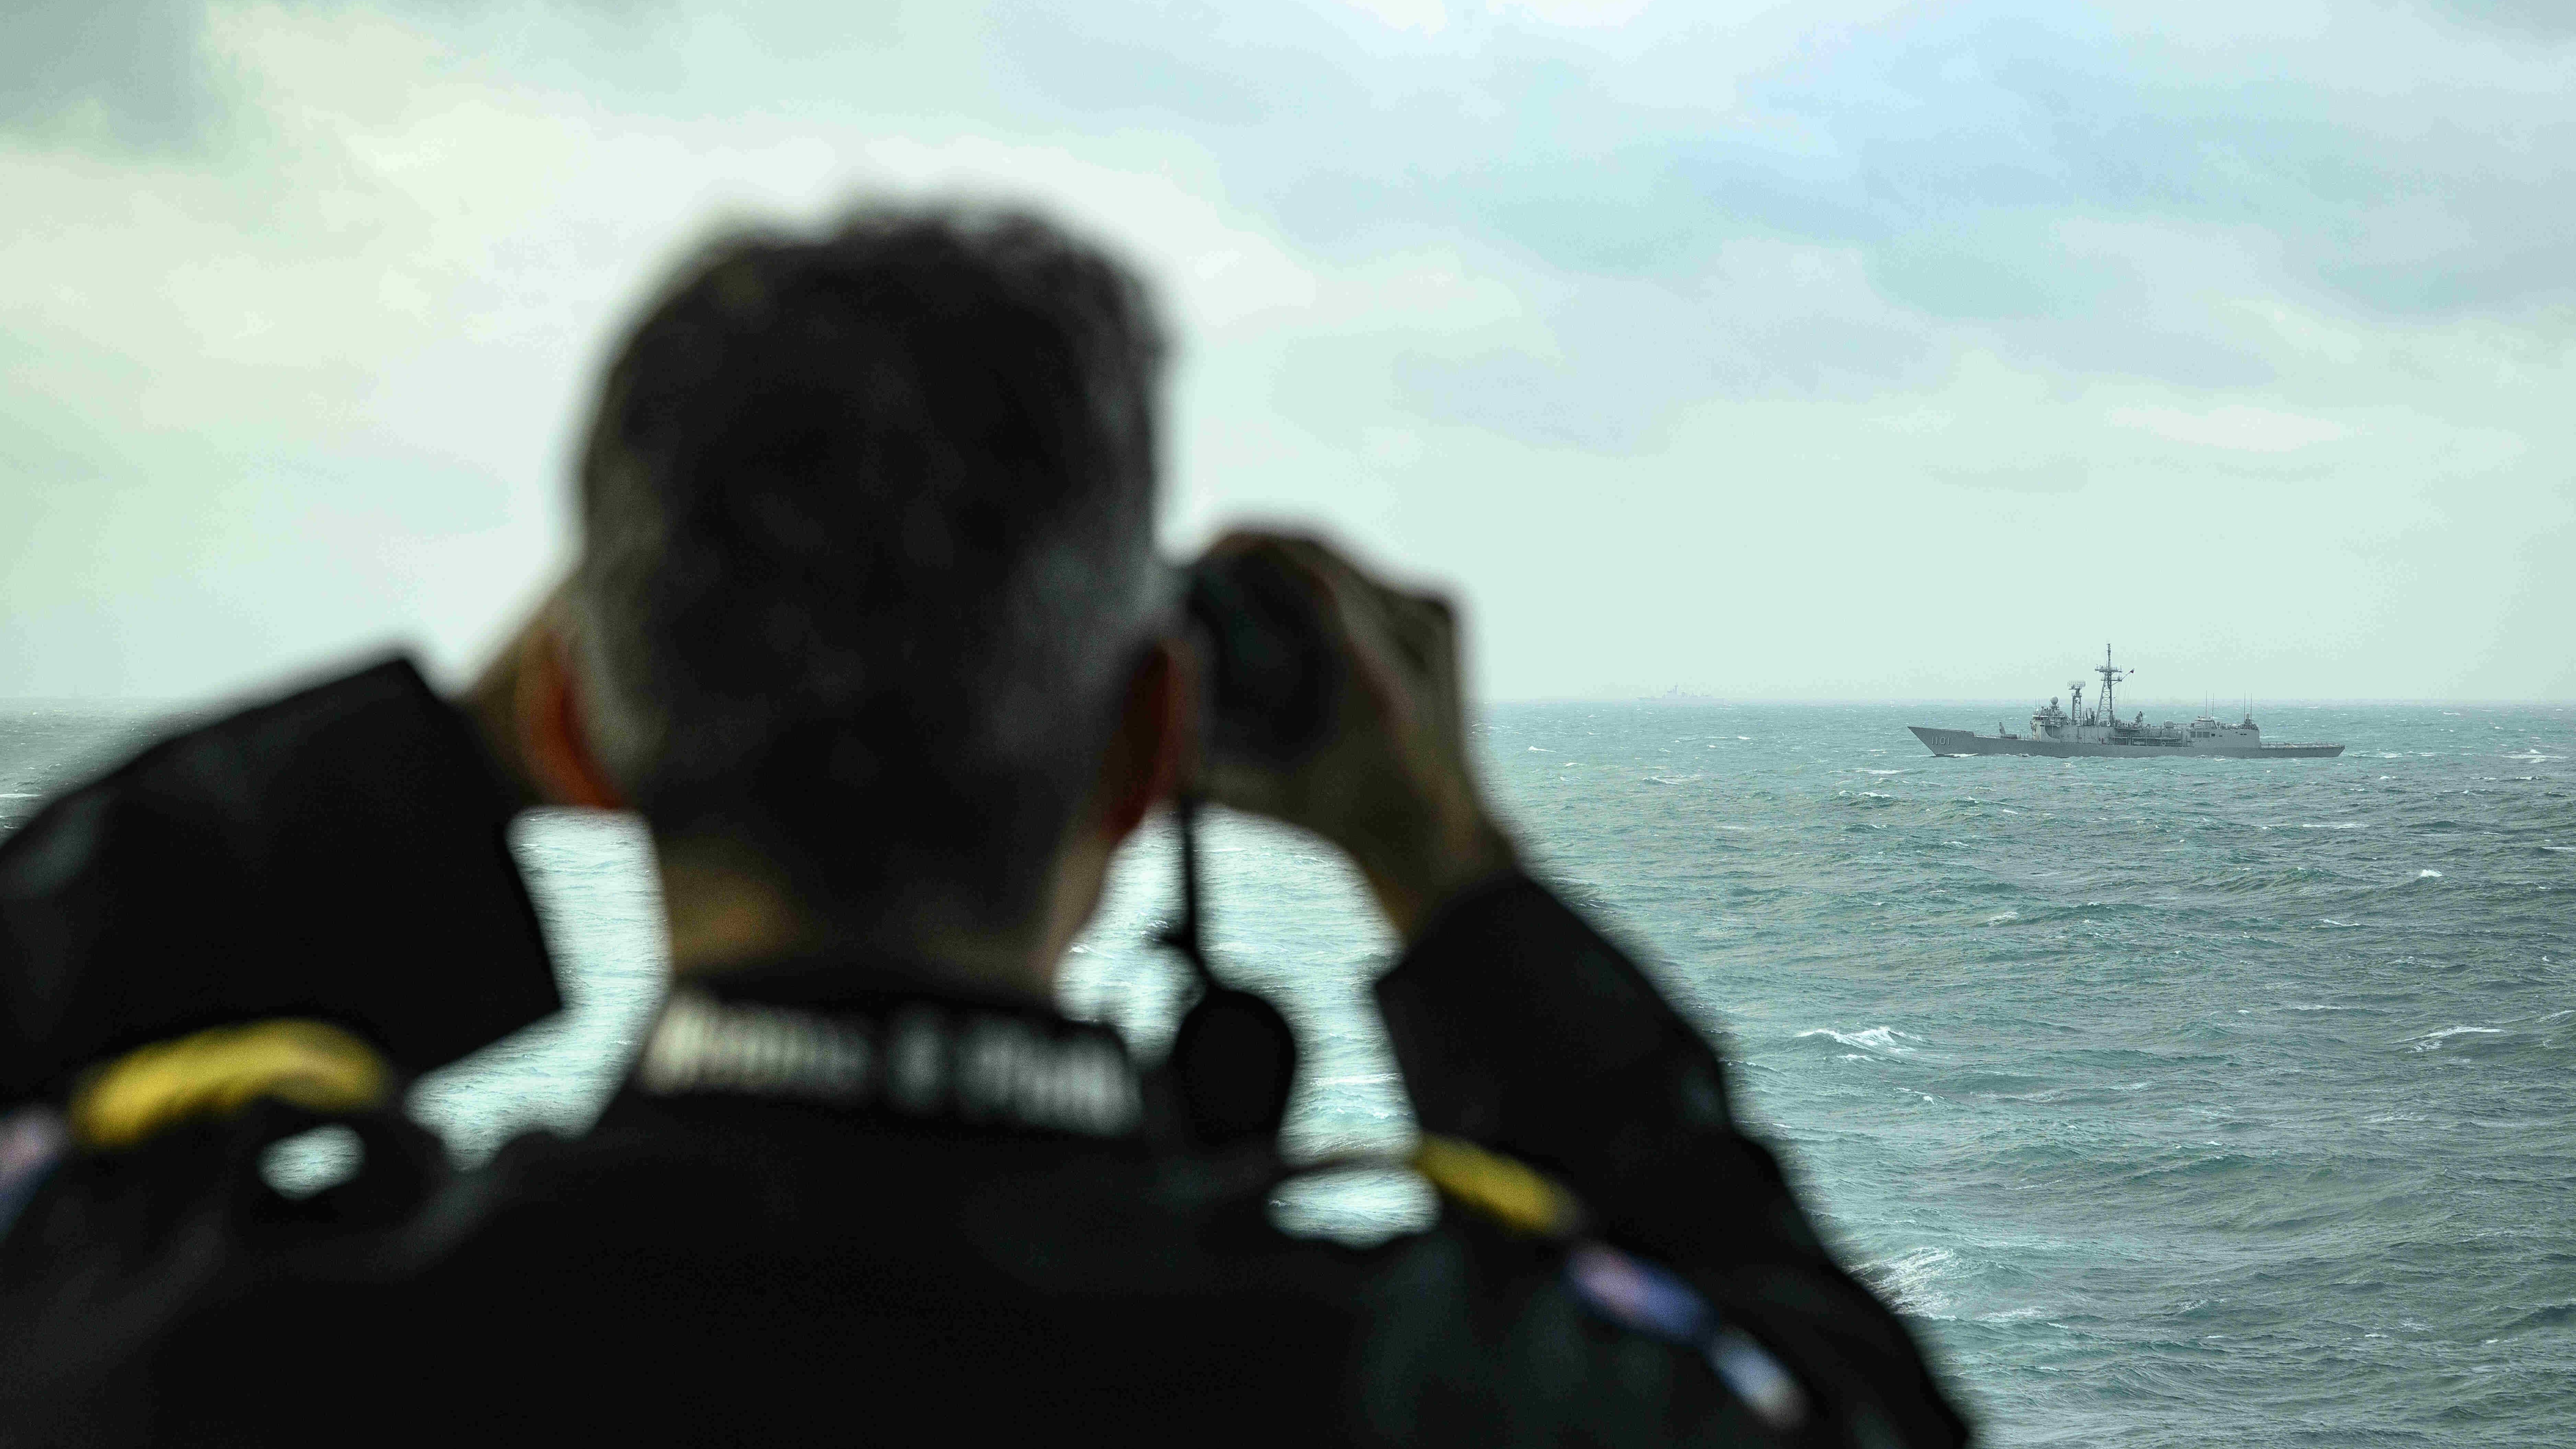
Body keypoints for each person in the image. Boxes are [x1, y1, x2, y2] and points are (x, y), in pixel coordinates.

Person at [0, 206, 1967, 1446]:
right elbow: (1844, 1402)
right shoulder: (1442, 1386)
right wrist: (1448, 875)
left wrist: (440, 768)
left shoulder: (201, 1336)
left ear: (584, 730)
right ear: (1149, 747)